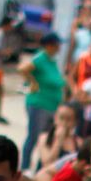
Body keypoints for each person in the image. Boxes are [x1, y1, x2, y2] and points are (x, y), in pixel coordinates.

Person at [18, 31, 65, 170]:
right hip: (39, 103)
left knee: (46, 139)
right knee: (33, 137)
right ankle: (25, 167)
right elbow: (23, 69)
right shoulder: (40, 58)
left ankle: (40, 168)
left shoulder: (52, 61)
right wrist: (32, 82)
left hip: (51, 105)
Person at [29, 102, 79, 176]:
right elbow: (47, 164)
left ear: (75, 122)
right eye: (61, 118)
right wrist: (58, 141)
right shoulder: (44, 138)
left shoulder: (78, 142)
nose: (64, 123)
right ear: (55, 118)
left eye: (68, 119)